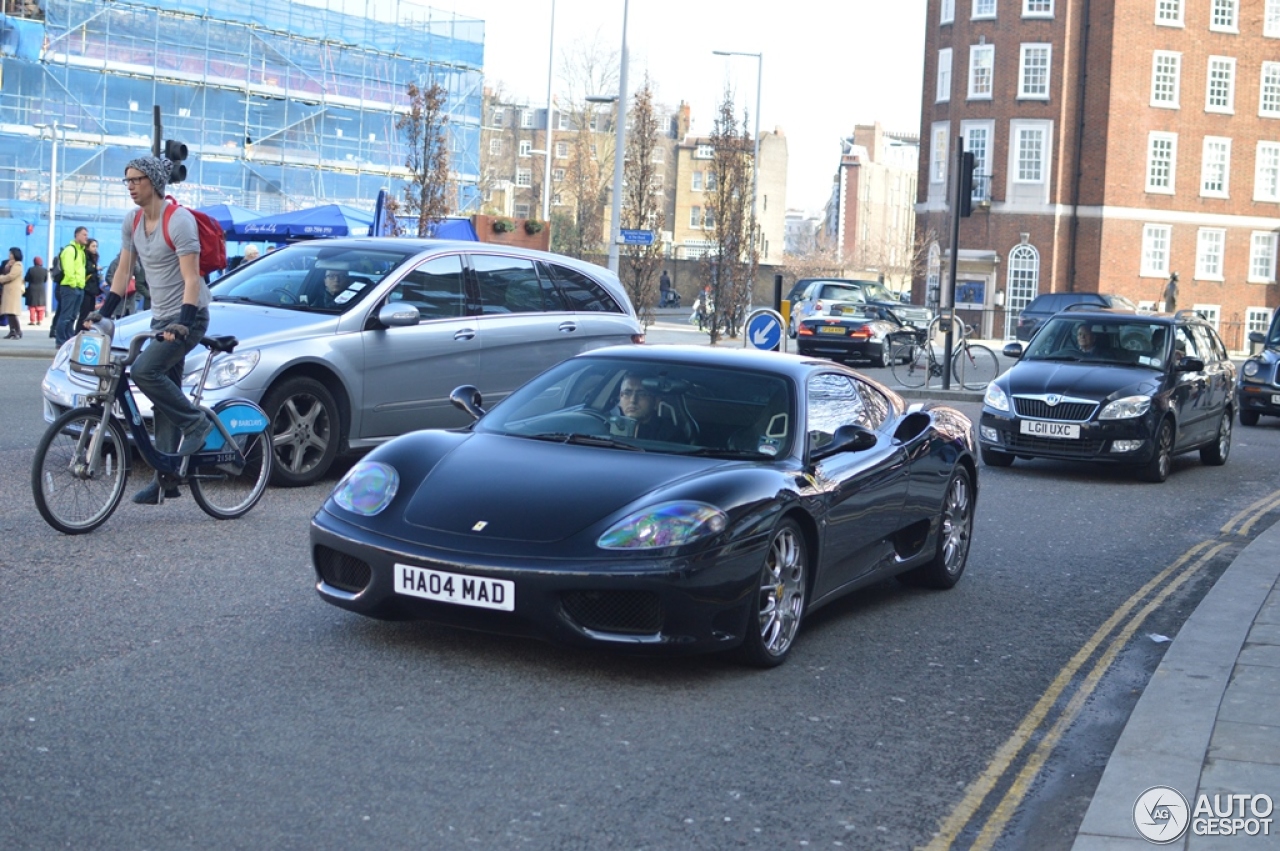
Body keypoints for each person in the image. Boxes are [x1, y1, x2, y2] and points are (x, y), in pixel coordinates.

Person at [89, 155, 212, 505]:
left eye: (136, 179)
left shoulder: (179, 221)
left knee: (144, 370)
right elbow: (123, 271)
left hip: (191, 315)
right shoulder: (132, 220)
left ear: (154, 182)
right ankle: (167, 479)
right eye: (126, 180)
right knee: (163, 399)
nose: (129, 186)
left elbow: (191, 279)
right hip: (160, 318)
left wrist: (183, 324)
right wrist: (102, 312)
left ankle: (197, 425)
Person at [614, 373, 681, 442]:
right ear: (620, 397)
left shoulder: (670, 434)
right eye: (627, 393)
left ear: (656, 401)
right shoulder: (606, 425)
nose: (633, 400)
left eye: (642, 394)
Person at [53, 226, 90, 346]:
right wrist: (74, 284)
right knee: (66, 316)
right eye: (84, 234)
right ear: (77, 235)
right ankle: (61, 341)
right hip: (70, 287)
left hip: (79, 287)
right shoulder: (70, 250)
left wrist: (81, 285)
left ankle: (69, 340)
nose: (86, 237)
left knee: (73, 316)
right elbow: (68, 270)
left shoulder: (81, 252)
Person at [76, 238, 102, 332]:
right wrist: (95, 269)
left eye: (96, 246)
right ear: (87, 247)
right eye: (93, 246)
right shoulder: (85, 258)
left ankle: (86, 332)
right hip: (86, 289)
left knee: (90, 314)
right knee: (84, 314)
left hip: (92, 290)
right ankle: (78, 333)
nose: (95, 248)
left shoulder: (94, 258)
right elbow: (86, 270)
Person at [1, 247, 25, 339]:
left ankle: (18, 331)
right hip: (8, 291)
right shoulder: (10, 264)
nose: (9, 255)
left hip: (13, 292)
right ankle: (12, 331)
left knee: (12, 313)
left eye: (11, 253)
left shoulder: (18, 265)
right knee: (9, 313)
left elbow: (11, 276)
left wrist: (1, 278)